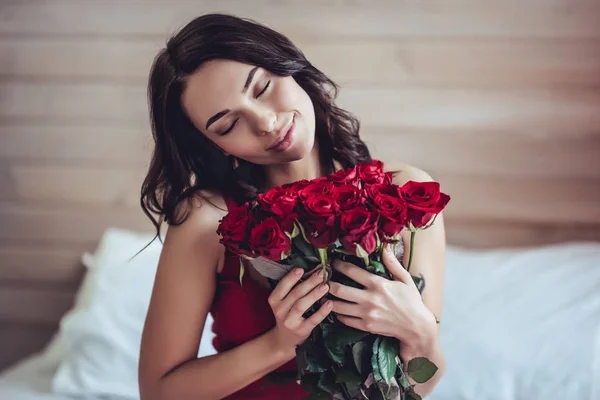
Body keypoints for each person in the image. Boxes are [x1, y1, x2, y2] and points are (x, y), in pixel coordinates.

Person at [138, 13, 446, 400]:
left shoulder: (407, 194)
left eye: (262, 87)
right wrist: (279, 345)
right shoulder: (208, 223)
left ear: (289, 64)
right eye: (227, 125)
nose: (265, 123)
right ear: (215, 145)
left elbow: (422, 383)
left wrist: (420, 330)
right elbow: (157, 392)